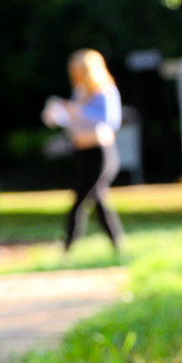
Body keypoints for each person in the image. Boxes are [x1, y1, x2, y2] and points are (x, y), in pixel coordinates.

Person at [44, 48, 127, 257]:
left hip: (101, 154)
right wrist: (59, 115)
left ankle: (67, 248)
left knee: (80, 200)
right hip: (84, 153)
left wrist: (75, 110)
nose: (74, 75)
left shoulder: (105, 91)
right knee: (99, 202)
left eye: (77, 70)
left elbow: (110, 121)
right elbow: (74, 123)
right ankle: (119, 246)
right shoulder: (80, 93)